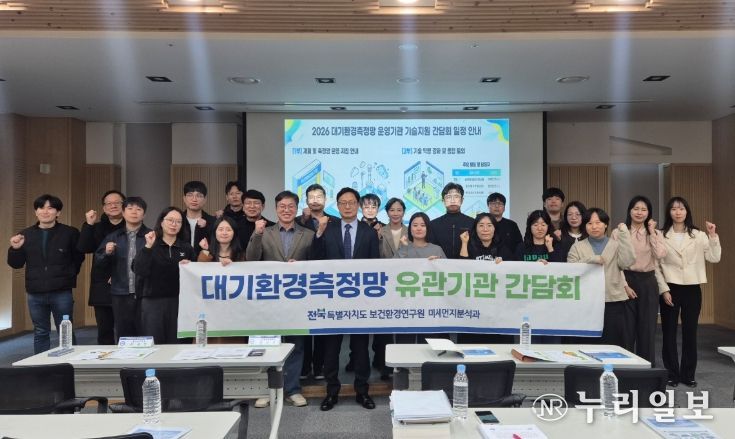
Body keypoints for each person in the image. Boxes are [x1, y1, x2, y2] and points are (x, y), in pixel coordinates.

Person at [312, 187, 380, 411]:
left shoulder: (369, 232)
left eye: (352, 202)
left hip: (360, 300)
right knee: (331, 349)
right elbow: (316, 259)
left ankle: (362, 391)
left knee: (361, 349)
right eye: (343, 202)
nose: (347, 206)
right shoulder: (328, 230)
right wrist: (318, 234)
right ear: (337, 205)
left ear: (358, 205)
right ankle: (332, 392)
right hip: (333, 299)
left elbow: (375, 265)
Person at [245, 190, 313, 409]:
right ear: (276, 209)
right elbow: (251, 259)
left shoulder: (308, 234)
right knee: (268, 344)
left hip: (297, 299)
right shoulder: (264, 232)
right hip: (270, 299)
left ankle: (292, 389)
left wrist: (301, 266)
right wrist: (256, 234)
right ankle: (267, 390)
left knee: (295, 345)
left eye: (291, 206)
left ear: (296, 208)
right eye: (282, 206)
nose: (286, 210)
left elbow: (316, 264)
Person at [7, 194, 84, 353]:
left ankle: (69, 362)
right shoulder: (25, 234)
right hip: (35, 292)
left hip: (61, 291)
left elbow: (78, 257)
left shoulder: (70, 232)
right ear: (36, 212)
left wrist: (68, 275)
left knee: (65, 331)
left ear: (58, 212)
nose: (45, 211)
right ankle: (41, 365)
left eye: (50, 208)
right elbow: (16, 264)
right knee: (40, 331)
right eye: (41, 208)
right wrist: (15, 248)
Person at [658, 196, 720, 388]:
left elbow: (714, 258)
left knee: (690, 332)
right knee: (668, 333)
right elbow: (656, 265)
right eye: (674, 209)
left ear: (687, 212)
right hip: (670, 288)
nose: (678, 212)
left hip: (692, 288)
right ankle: (672, 374)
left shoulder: (699, 235)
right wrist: (664, 290)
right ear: (669, 212)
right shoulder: (660, 235)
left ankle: (688, 375)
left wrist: (713, 236)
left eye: (681, 209)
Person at [567, 208, 636, 349]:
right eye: (589, 223)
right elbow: (570, 270)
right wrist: (591, 259)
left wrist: (624, 236)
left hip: (613, 301)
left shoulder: (616, 245)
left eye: (598, 222)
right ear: (585, 226)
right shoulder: (577, 247)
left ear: (605, 225)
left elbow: (627, 262)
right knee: (587, 345)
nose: (594, 227)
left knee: (613, 342)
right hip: (586, 302)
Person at [133, 207, 196, 345]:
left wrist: (190, 266)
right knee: (154, 342)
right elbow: (139, 269)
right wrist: (148, 247)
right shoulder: (150, 243)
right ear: (161, 222)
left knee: (178, 343)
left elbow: (195, 277)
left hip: (179, 302)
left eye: (178, 221)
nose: (174, 224)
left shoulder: (186, 248)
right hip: (152, 302)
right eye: (170, 220)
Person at [619, 195, 667, 366]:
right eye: (636, 209)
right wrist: (624, 285)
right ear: (630, 211)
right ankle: (625, 369)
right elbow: (615, 262)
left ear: (649, 213)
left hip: (648, 282)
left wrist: (652, 232)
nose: (639, 212)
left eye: (644, 209)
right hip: (626, 280)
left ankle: (646, 371)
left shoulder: (655, 233)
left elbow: (660, 254)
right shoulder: (620, 232)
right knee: (626, 331)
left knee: (647, 330)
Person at [95, 197, 151, 340]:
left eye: (138, 209)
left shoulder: (151, 236)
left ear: (144, 214)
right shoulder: (113, 237)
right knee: (123, 333)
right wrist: (106, 253)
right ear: (123, 213)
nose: (134, 212)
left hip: (146, 293)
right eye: (130, 209)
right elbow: (99, 263)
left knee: (147, 332)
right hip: (120, 293)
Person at [295, 183, 335, 380]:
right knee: (303, 327)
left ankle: (319, 367)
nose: (315, 200)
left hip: (326, 281)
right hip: (300, 281)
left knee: (322, 326)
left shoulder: (334, 221)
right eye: (311, 197)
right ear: (306, 200)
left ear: (325, 199)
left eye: (319, 196)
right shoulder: (298, 221)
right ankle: (303, 369)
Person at [77, 190, 126, 345]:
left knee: (127, 329)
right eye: (109, 203)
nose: (113, 206)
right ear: (104, 208)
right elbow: (84, 247)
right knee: (105, 330)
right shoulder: (96, 227)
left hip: (126, 283)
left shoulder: (131, 226)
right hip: (102, 284)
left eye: (117, 203)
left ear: (124, 205)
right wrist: (89, 224)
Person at [457, 212, 512, 344]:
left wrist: (504, 265)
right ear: (475, 228)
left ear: (495, 228)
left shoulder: (504, 248)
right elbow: (461, 269)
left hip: (497, 310)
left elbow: (514, 273)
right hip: (472, 308)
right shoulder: (468, 246)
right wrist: (464, 243)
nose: (485, 229)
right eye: (481, 225)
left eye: (489, 225)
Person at [359, 193, 390, 379]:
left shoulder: (385, 228)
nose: (370, 210)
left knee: (381, 325)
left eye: (373, 207)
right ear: (361, 208)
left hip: (381, 282)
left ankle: (380, 361)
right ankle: (355, 361)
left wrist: (379, 238)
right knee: (358, 327)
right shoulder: (355, 227)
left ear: (378, 209)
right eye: (366, 206)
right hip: (358, 281)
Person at [430, 183, 474, 259]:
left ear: (462, 200)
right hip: (440, 265)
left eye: (456, 197)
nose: (453, 201)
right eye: (448, 197)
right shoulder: (433, 224)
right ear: (443, 201)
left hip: (467, 265)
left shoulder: (472, 223)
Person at [182, 181, 215, 254]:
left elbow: (216, 248)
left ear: (205, 199)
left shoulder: (213, 222)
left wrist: (206, 228)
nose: (194, 199)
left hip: (204, 260)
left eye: (199, 196)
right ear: (184, 198)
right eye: (190, 195)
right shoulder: (178, 221)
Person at [487, 192, 522, 258]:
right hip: (486, 261)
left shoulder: (512, 225)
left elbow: (519, 245)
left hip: (508, 262)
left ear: (504, 208)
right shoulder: (482, 225)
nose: (497, 206)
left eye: (500, 203)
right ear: (488, 206)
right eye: (493, 203)